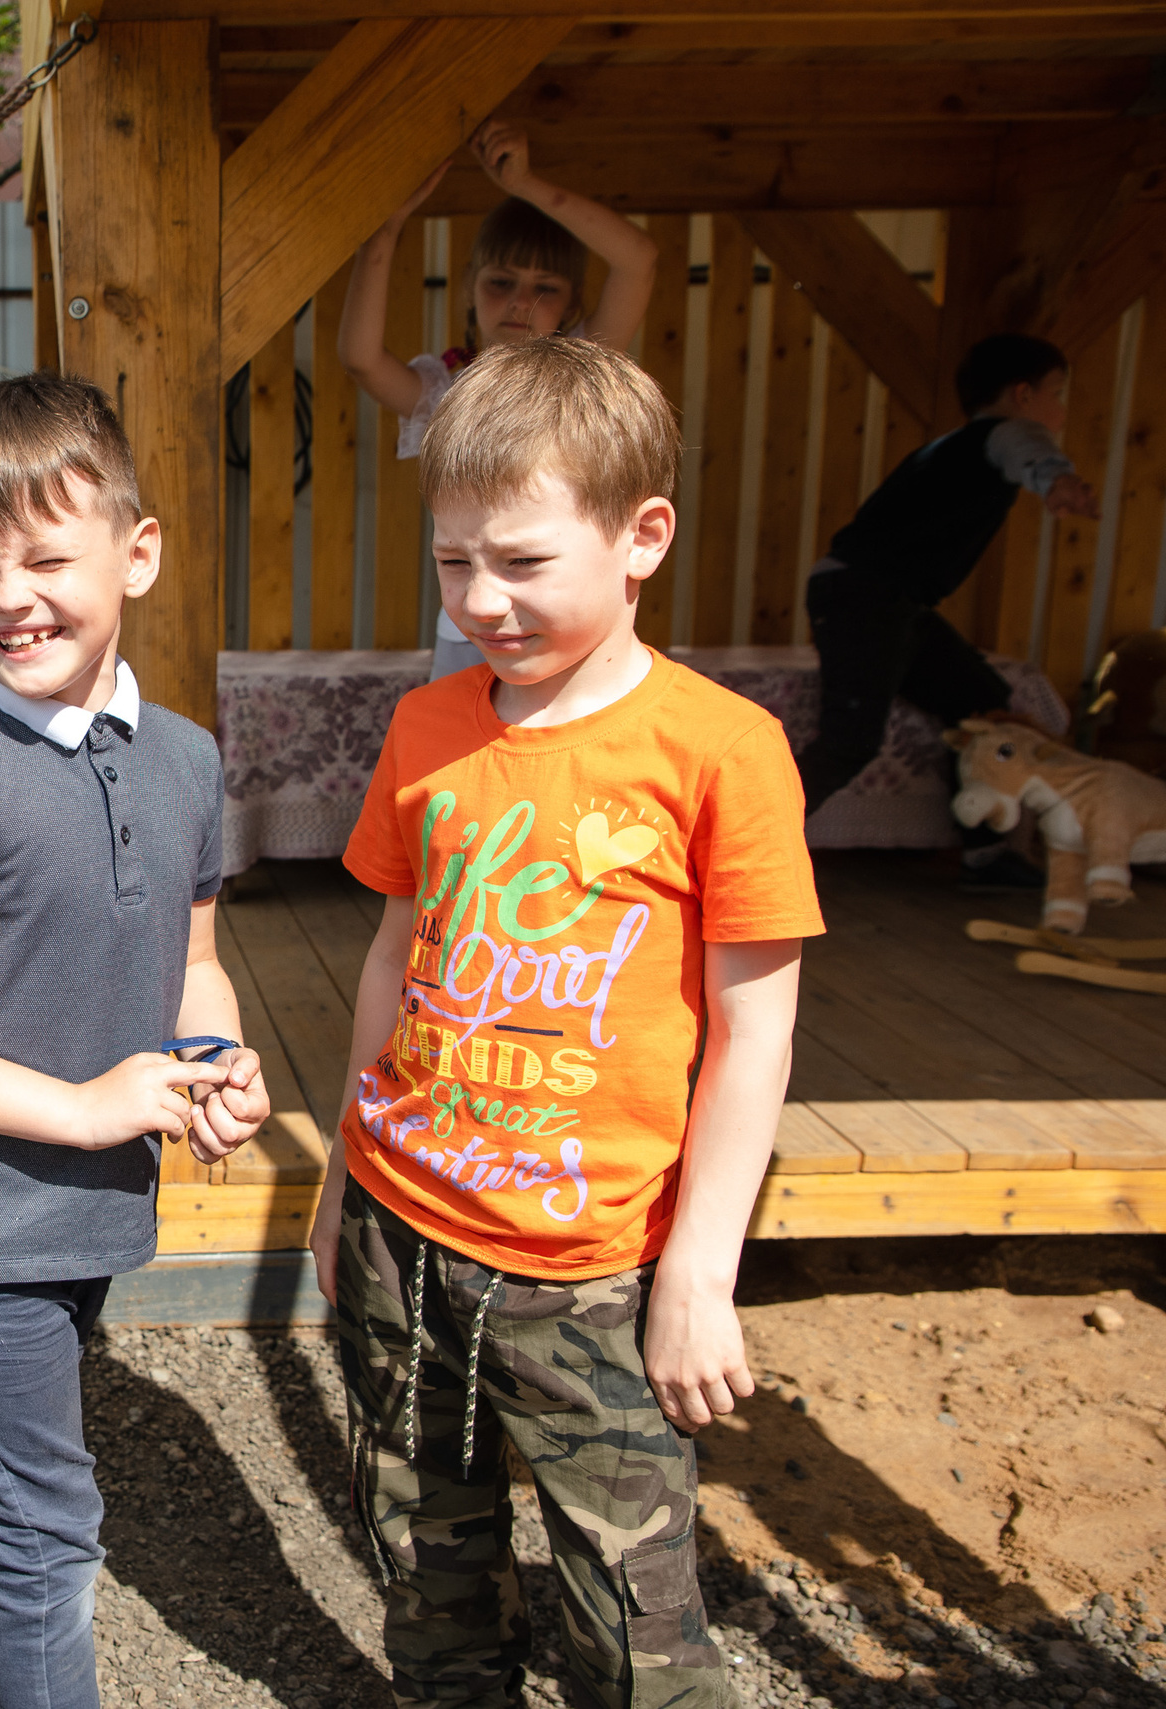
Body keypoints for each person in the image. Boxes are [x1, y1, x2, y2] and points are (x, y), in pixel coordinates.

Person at [311, 339, 823, 1709]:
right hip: (398, 1233)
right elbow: (389, 963)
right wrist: (333, 1186)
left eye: (524, 562)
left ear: (643, 534)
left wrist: (699, 1273)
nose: (482, 599)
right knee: (427, 1571)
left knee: (636, 1629)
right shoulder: (425, 727)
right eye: (452, 564)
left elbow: (755, 1031)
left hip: (592, 1277)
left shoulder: (720, 750)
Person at [0, 372, 274, 1709]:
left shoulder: (188, 760)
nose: (7, 594)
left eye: (43, 557)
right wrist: (86, 1106)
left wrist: (212, 1069)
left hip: (90, 1210)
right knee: (46, 1530)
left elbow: (194, 963)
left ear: (138, 554)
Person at [340, 121, 658, 682]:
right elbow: (361, 357)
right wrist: (384, 227)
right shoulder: (447, 389)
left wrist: (525, 182)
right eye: (501, 281)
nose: (521, 302)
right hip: (471, 628)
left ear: (573, 301)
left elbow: (638, 259)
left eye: (546, 287)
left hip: (566, 621)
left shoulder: (582, 376)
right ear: (470, 287)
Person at [793, 333, 1101, 887]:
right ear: (1024, 394)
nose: (1061, 407)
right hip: (863, 594)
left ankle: (985, 852)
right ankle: (735, 849)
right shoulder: (1006, 433)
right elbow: (1028, 446)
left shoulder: (961, 446)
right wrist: (1057, 482)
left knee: (984, 709)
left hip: (897, 603)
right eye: (1058, 392)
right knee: (849, 741)